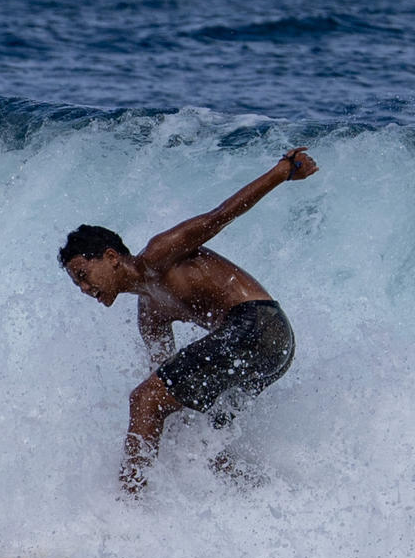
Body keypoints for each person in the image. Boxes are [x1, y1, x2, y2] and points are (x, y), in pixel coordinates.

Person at [58, 147, 317, 493]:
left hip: (258, 324)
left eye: (84, 274)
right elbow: (167, 378)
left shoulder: (160, 253)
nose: (85, 288)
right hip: (272, 352)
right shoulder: (150, 315)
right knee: (204, 445)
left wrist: (282, 171)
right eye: (78, 284)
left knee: (144, 399)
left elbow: (221, 216)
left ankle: (128, 506)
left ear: (110, 257)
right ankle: (279, 497)